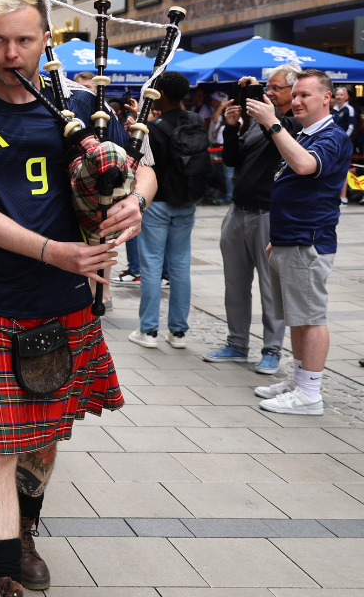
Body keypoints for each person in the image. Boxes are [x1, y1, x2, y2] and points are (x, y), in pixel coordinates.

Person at [0, 0, 155, 597]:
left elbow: (139, 169)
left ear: (44, 40)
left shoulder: (82, 110)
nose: (11, 52)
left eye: (24, 39)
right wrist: (53, 251)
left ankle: (27, 527)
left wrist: (134, 201)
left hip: (65, 308)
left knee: (43, 436)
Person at [245, 70, 351, 415]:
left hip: (309, 239)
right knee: (297, 316)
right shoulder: (307, 134)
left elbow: (306, 166)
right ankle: (299, 381)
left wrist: (273, 125)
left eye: (306, 95)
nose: (297, 100)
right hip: (291, 238)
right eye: (296, 94)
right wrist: (279, 237)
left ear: (327, 98)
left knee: (310, 318)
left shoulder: (332, 136)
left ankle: (309, 395)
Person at [202, 66, 302, 376]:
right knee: (235, 284)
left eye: (275, 88)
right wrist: (232, 127)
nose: (269, 93)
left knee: (271, 289)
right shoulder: (258, 123)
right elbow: (234, 160)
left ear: (292, 93)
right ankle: (237, 343)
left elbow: (281, 134)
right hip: (238, 212)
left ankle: (272, 349)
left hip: (269, 215)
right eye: (267, 88)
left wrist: (258, 95)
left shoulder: (292, 124)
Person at [130, 72, 207, 350]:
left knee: (151, 264)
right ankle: (178, 332)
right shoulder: (196, 121)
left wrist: (140, 124)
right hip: (187, 201)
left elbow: (142, 162)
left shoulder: (156, 127)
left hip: (158, 202)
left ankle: (148, 330)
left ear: (160, 94)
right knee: (180, 265)